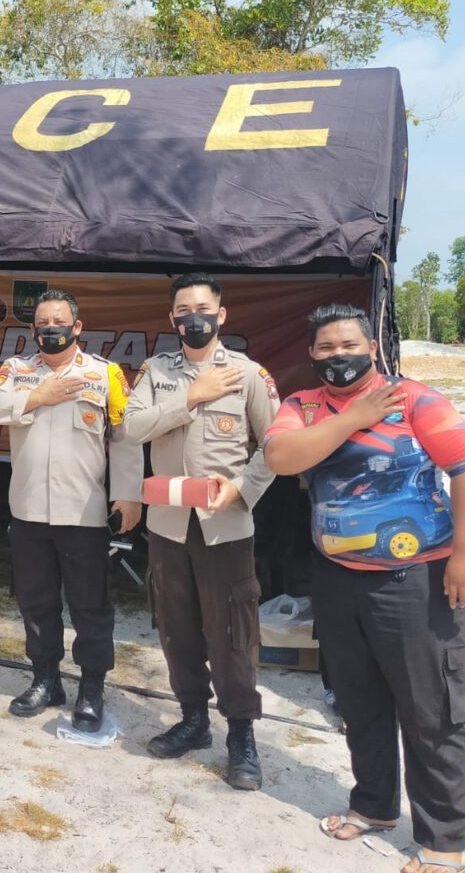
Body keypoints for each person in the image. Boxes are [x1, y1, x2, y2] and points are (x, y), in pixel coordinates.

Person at [264, 303, 465, 873]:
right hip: (337, 579)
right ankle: (374, 806)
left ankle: (444, 841)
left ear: (372, 348)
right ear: (311, 354)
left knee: (432, 710)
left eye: (350, 345)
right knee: (360, 702)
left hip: (416, 581)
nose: (339, 356)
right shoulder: (303, 406)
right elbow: (281, 458)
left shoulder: (416, 400)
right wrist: (353, 419)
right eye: (326, 348)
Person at [123, 272, 278, 791]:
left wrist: (242, 489)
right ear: (172, 319)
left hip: (225, 526)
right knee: (177, 625)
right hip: (168, 523)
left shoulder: (248, 374)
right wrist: (190, 396)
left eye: (204, 309)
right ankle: (193, 719)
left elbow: (274, 445)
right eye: (185, 311)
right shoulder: (156, 371)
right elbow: (132, 427)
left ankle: (241, 734)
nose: (195, 318)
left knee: (232, 630)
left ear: (221, 314)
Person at [0, 289, 143, 730]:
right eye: (43, 324)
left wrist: (129, 494)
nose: (51, 329)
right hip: (29, 508)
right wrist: (37, 397)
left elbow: (126, 437)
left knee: (91, 605)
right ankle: (45, 679)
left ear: (77, 327)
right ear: (33, 330)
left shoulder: (104, 374)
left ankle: (91, 687)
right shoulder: (17, 370)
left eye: (59, 322)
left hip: (83, 511)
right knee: (36, 602)